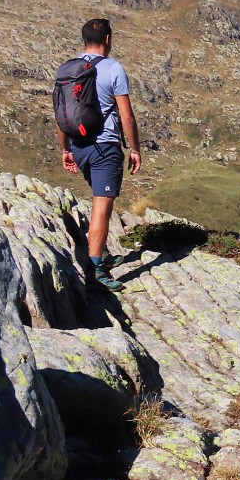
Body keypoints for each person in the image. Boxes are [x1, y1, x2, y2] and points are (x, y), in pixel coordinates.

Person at [58, 17, 143, 292]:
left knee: (99, 200)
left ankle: (101, 254)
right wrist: (135, 148)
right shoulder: (113, 69)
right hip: (105, 148)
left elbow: (60, 114)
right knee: (101, 208)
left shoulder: (67, 69)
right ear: (108, 39)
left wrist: (65, 149)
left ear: (84, 40)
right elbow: (126, 116)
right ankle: (95, 270)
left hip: (78, 146)